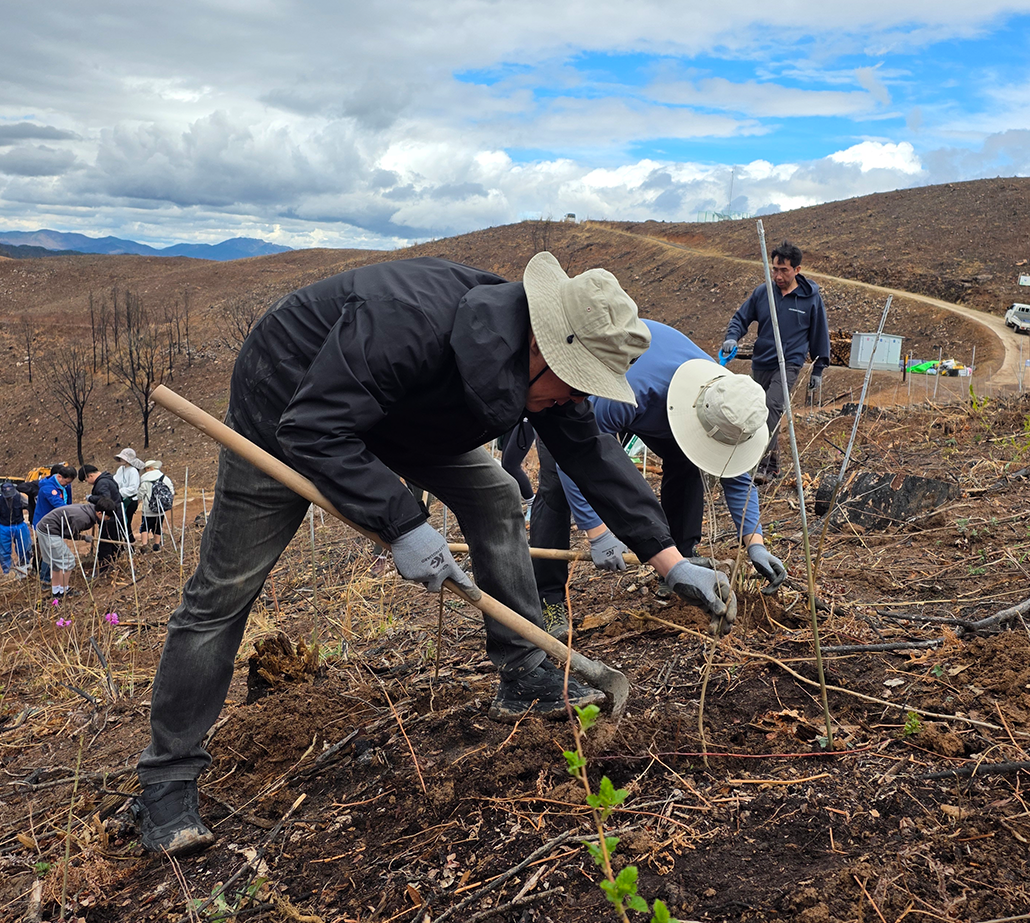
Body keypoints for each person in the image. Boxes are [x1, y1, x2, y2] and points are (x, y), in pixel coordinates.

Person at [133, 252, 736, 857]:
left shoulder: (541, 370)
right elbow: (316, 427)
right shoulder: (407, 323)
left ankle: (524, 671)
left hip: (399, 417)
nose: (574, 400)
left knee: (498, 496)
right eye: (574, 385)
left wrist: (670, 561)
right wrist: (403, 522)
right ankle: (167, 778)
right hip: (288, 408)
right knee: (224, 590)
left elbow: (592, 457)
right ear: (544, 350)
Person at [532, 321, 790, 635]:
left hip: (653, 407)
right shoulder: (638, 391)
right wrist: (597, 532)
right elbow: (574, 455)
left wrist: (756, 544)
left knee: (687, 461)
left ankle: (680, 562)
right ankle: (549, 598)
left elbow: (736, 476)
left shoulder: (730, 404)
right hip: (586, 389)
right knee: (555, 487)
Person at [719, 241, 830, 484]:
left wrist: (818, 369)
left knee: (771, 408)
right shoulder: (763, 293)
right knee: (755, 409)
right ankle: (772, 466)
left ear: (797, 270)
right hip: (762, 362)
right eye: (775, 270)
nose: (778, 276)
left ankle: (756, 463)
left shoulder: (811, 298)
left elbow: (820, 333)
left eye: (784, 271)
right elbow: (741, 318)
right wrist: (731, 338)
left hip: (789, 363)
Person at [35, 497, 105, 598]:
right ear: (99, 513)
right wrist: (84, 537)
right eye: (107, 517)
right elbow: (69, 534)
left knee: (56, 562)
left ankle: (56, 591)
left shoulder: (88, 509)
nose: (107, 519)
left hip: (44, 528)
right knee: (68, 561)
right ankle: (63, 591)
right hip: (49, 531)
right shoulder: (83, 518)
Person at [30, 465, 76, 585]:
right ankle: (44, 579)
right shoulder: (48, 488)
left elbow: (68, 501)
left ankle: (52, 577)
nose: (67, 484)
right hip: (44, 524)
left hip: (57, 522)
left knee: (54, 550)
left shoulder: (66, 485)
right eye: (66, 482)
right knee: (49, 551)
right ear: (59, 477)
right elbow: (59, 505)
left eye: (69, 482)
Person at [80, 465, 124, 565]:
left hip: (109, 517)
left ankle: (105, 567)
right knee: (114, 541)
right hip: (116, 515)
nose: (87, 483)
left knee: (106, 543)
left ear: (90, 476)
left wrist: (90, 498)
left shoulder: (102, 483)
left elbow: (105, 499)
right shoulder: (109, 479)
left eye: (86, 480)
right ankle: (114, 564)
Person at [0, 481, 32, 576]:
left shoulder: (19, 497)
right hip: (4, 527)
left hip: (19, 525)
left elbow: (29, 506)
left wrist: (33, 519)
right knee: (3, 551)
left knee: (25, 547)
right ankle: (9, 570)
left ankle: (24, 567)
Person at [500, 418, 536, 515]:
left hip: (529, 413)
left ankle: (532, 503)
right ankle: (513, 505)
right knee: (505, 464)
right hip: (513, 414)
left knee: (511, 465)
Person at [137, 460, 175, 552]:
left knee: (144, 527)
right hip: (160, 509)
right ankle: (157, 545)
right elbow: (172, 492)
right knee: (158, 526)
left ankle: (144, 546)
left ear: (150, 468)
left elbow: (140, 495)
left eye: (146, 468)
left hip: (147, 509)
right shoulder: (164, 478)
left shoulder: (144, 480)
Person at [113, 448, 144, 542]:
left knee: (125, 522)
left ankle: (130, 543)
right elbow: (115, 481)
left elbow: (133, 488)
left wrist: (120, 492)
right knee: (121, 522)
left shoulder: (133, 471)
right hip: (121, 499)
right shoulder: (120, 469)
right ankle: (126, 543)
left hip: (130, 500)